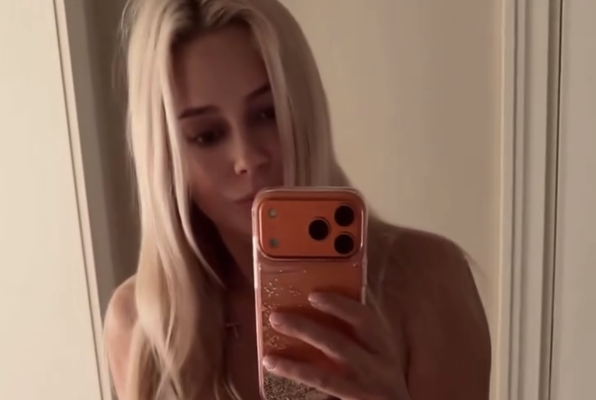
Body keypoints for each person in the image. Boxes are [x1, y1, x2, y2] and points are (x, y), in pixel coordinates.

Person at [103, 0, 491, 399]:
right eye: (207, 135)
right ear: (165, 157)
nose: (247, 158)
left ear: (302, 108)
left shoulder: (425, 284)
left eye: (266, 113)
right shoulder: (139, 324)